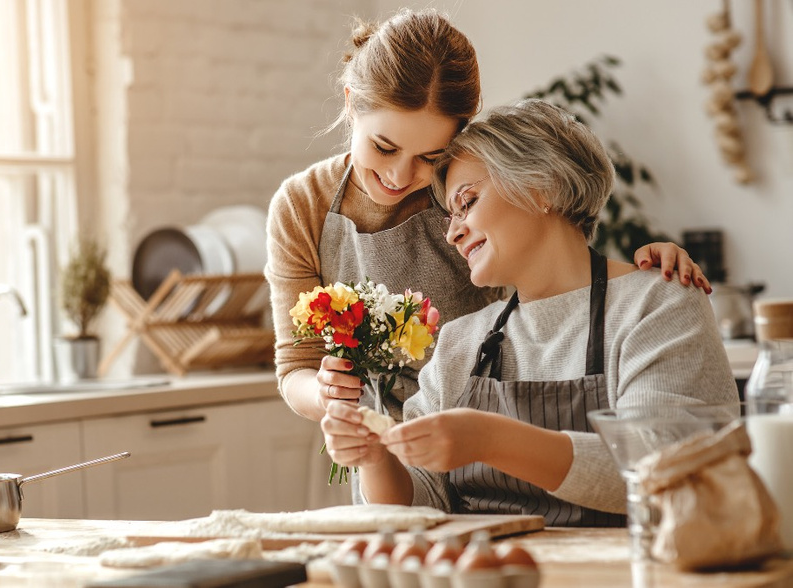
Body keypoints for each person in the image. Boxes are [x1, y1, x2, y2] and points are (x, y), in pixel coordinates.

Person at [267, 8, 709, 428]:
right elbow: (295, 366)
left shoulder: (468, 186)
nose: (400, 176)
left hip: (485, 430)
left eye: (430, 156)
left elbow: (555, 281)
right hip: (380, 448)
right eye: (383, 147)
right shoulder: (302, 206)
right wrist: (329, 395)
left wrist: (638, 276)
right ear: (350, 104)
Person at [319, 99, 739, 525]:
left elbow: (665, 467)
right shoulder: (461, 342)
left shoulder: (657, 304)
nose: (452, 232)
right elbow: (421, 503)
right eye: (450, 214)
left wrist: (490, 438)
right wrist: (375, 458)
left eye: (468, 201)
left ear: (542, 186)